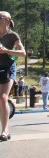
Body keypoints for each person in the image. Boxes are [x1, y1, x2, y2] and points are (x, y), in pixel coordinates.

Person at [0, 11, 26, 141]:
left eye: (1, 17)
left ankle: (5, 131)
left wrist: (6, 51)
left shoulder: (12, 35)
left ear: (7, 20)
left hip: (8, 69)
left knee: (3, 97)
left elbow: (23, 53)